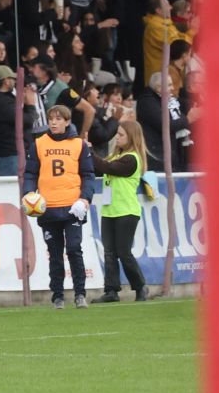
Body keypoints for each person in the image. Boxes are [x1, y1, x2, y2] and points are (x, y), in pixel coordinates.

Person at [24, 103, 98, 309]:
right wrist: (28, 194)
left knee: (74, 249)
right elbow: (30, 173)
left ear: (67, 122)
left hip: (73, 207)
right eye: (51, 119)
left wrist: (85, 199)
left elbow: (88, 175)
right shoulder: (39, 144)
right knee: (54, 254)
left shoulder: (79, 145)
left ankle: (80, 294)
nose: (54, 123)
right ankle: (57, 296)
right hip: (48, 208)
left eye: (58, 119)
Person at [97, 118, 153, 304]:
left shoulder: (132, 159)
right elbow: (101, 166)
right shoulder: (115, 156)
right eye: (117, 134)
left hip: (126, 211)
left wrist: (89, 152)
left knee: (123, 252)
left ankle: (140, 286)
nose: (117, 137)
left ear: (131, 137)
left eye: (121, 135)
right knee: (109, 253)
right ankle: (111, 290)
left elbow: (107, 167)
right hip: (109, 210)